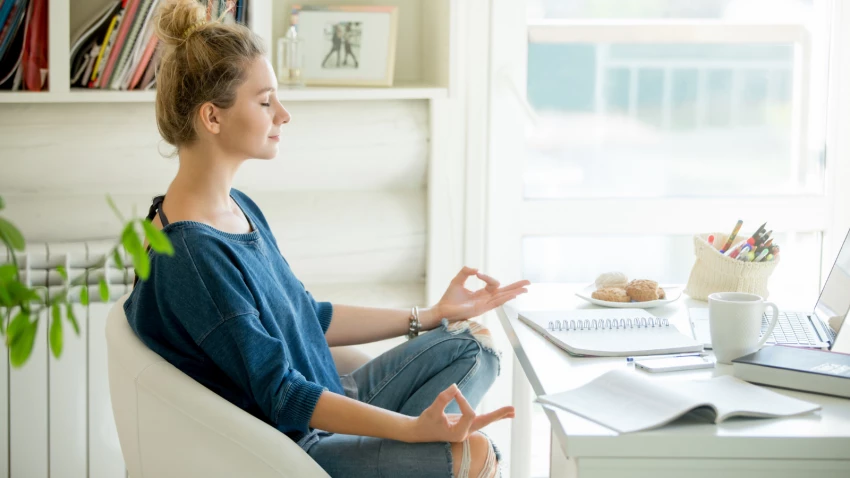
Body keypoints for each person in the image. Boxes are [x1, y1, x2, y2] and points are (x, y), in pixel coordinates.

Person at [123, 1, 530, 477]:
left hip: (329, 396)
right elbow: (283, 394)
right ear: (212, 118)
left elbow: (307, 317)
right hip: (296, 447)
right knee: (475, 454)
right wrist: (409, 430)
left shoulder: (235, 208)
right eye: (265, 101)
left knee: (472, 344)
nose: (284, 115)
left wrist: (431, 315)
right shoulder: (193, 255)